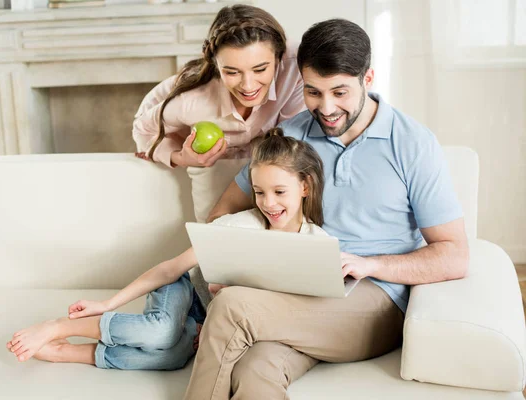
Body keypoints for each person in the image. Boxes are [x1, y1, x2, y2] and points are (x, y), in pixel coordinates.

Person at [183, 19, 470, 400]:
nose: (327, 108)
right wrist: (240, 266)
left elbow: (454, 255)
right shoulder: (291, 135)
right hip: (294, 293)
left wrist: (371, 265)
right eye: (313, 92)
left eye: (340, 92)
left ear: (368, 78)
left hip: (375, 299)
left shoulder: (412, 143)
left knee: (234, 307)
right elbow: (222, 216)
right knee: (256, 368)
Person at [5, 128, 329, 371]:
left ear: (305, 186)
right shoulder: (239, 226)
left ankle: (66, 353)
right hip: (185, 291)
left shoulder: (315, 245)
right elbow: (170, 269)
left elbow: (289, 316)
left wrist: (216, 328)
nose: (268, 203)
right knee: (161, 332)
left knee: (174, 357)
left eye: (279, 191)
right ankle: (59, 327)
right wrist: (107, 302)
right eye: (259, 192)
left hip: (211, 319)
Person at [133, 4, 305, 169]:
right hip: (163, 122)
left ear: (278, 58)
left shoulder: (295, 64)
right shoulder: (193, 101)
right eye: (232, 72)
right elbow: (143, 128)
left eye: (260, 69)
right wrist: (180, 157)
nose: (248, 86)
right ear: (216, 65)